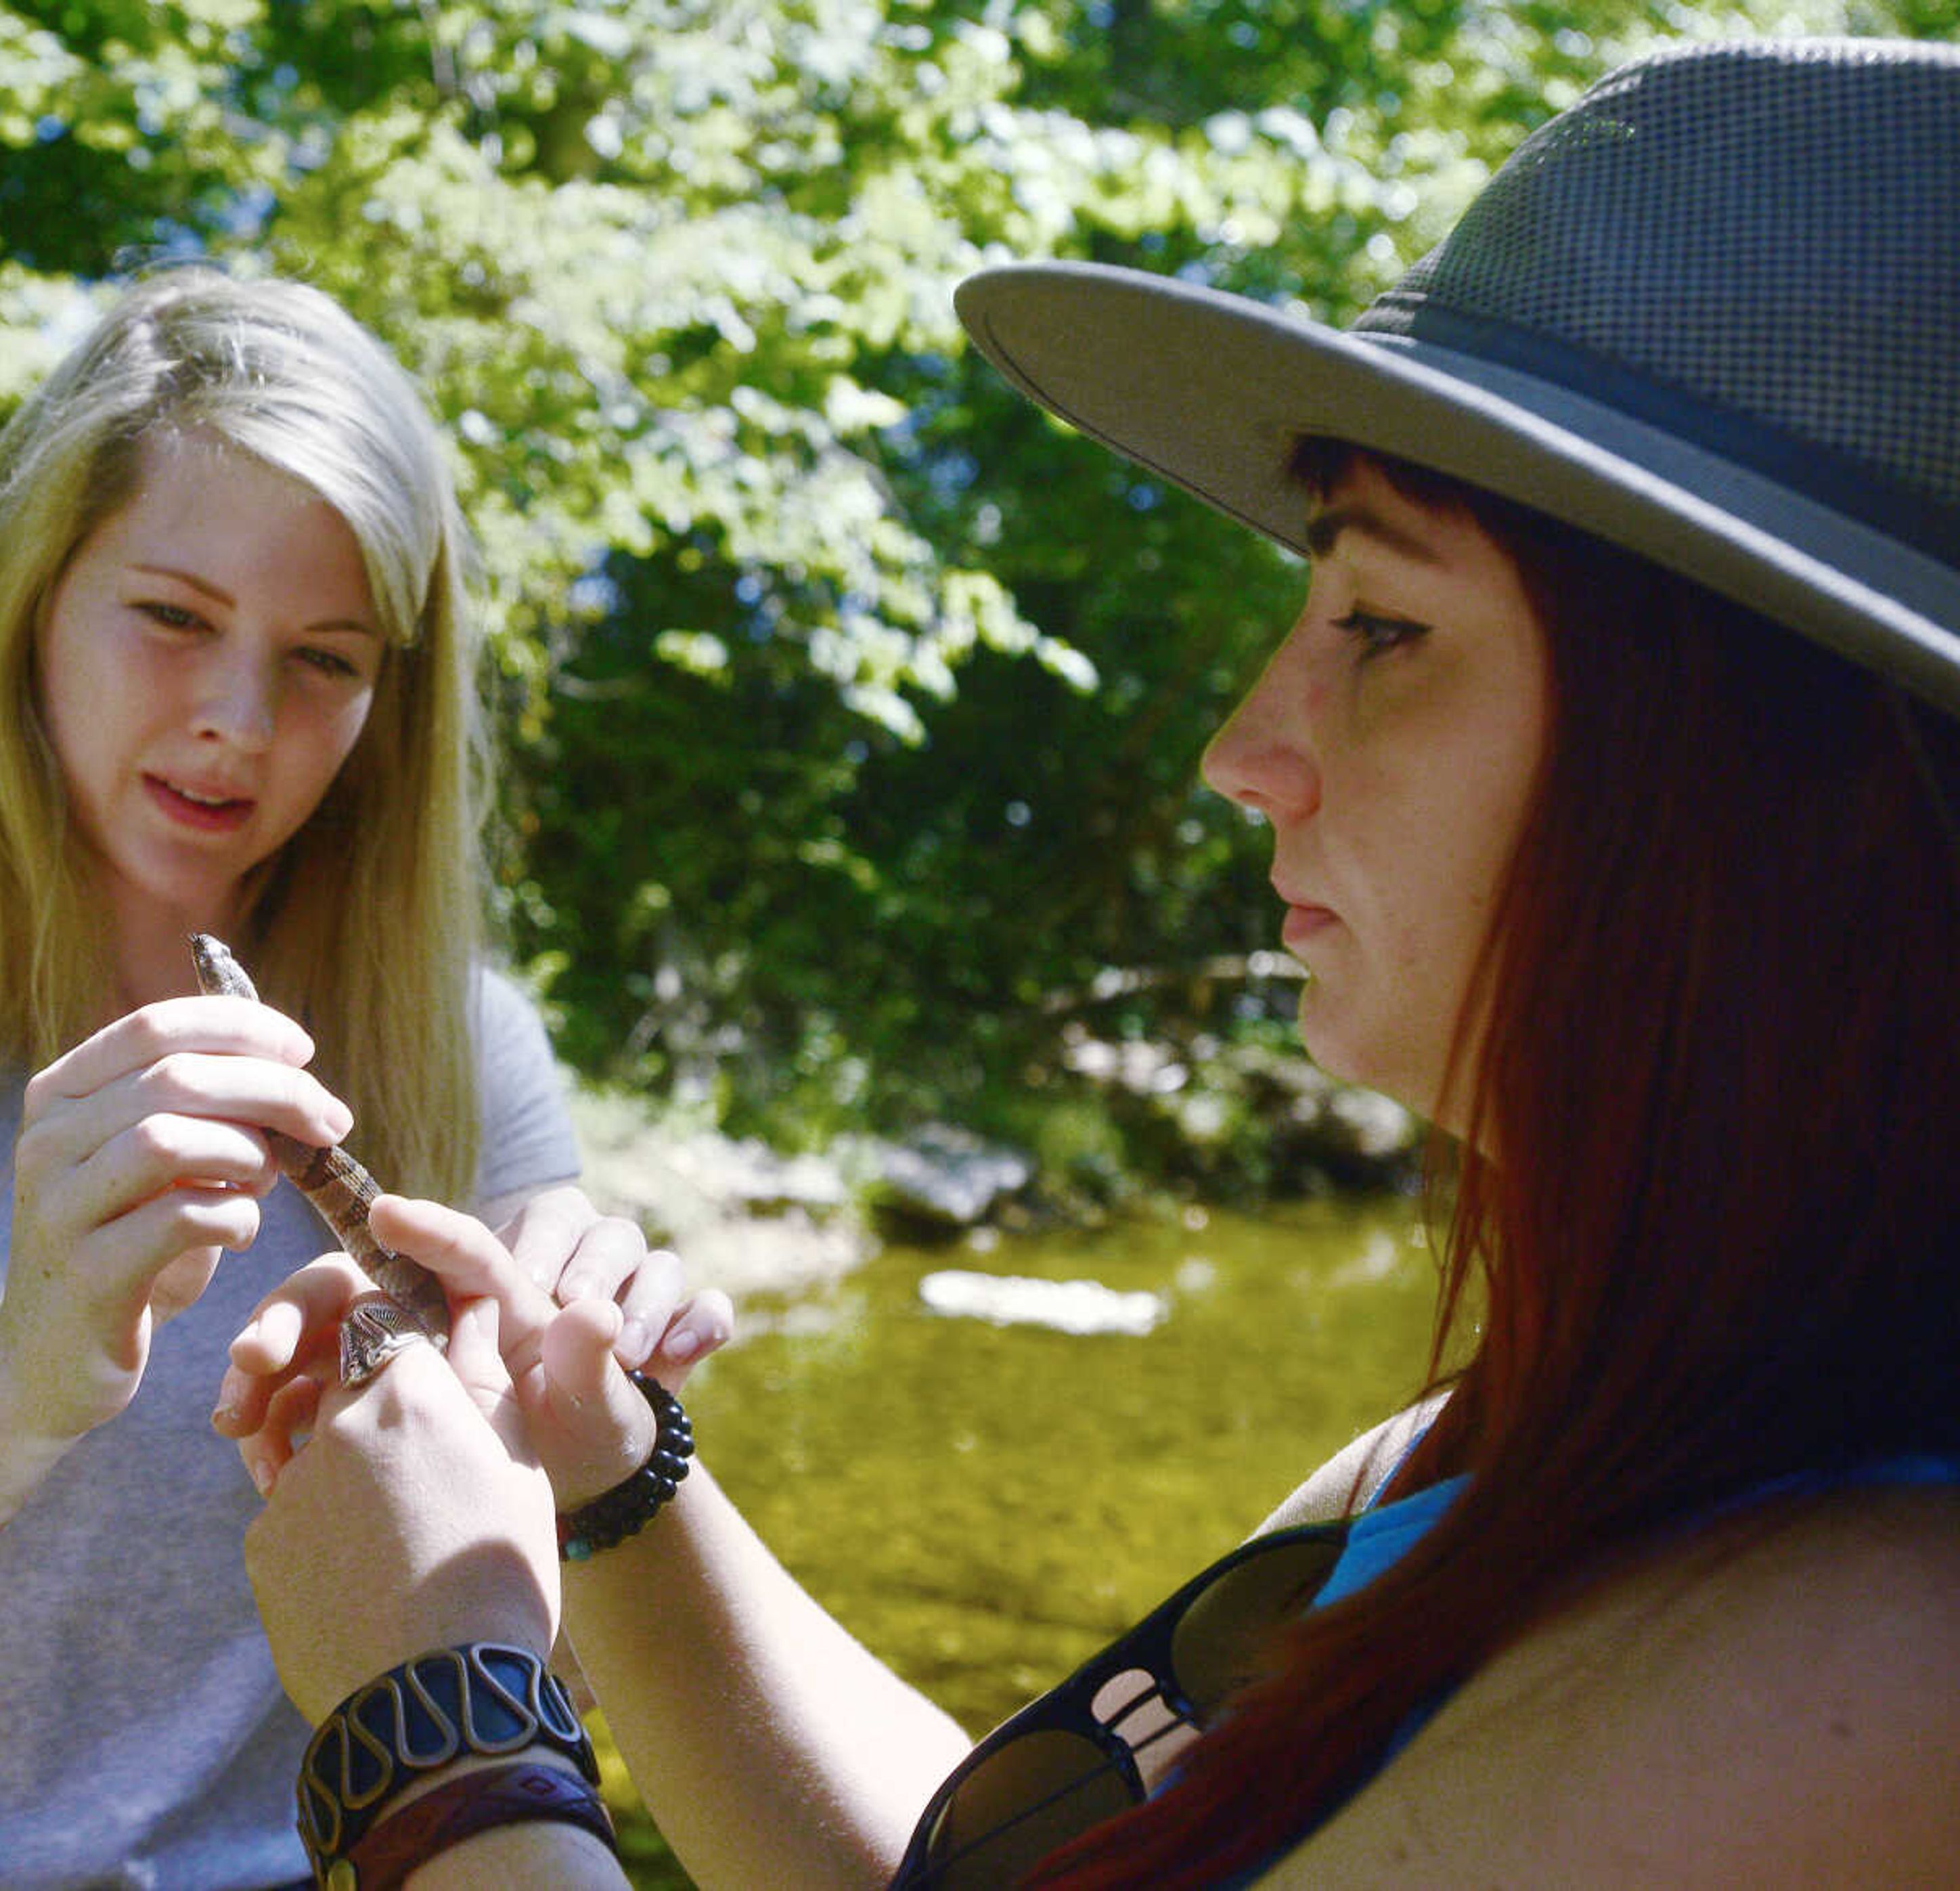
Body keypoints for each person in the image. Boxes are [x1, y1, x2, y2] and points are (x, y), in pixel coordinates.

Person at [215, 37, 1960, 1890]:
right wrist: (607, 1479)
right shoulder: (1519, 1458)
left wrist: (441, 1742)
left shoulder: (1875, 1679)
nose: (1244, 745)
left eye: (1383, 624)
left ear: (1755, 781)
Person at [0, 266, 730, 1890]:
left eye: (326, 659)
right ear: (30, 599)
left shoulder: (463, 1041)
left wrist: (610, 1456)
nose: (237, 721)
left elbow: (562, 1668)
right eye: (175, 617)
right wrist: (28, 1361)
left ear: (390, 700)